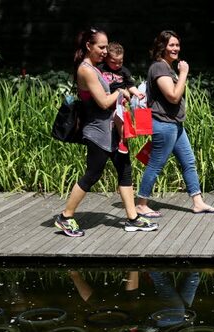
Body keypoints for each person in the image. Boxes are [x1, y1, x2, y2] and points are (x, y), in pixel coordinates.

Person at [53, 28, 158, 237]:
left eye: (105, 47)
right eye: (101, 47)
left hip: (112, 130)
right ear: (88, 46)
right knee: (92, 174)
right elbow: (102, 102)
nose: (104, 51)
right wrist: (121, 92)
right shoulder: (86, 70)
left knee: (125, 170)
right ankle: (65, 216)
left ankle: (132, 218)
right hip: (97, 133)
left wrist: (126, 94)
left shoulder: (94, 67)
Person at [136, 30, 214, 218]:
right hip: (164, 125)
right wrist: (184, 73)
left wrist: (179, 73)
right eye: (171, 45)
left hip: (176, 124)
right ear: (162, 47)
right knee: (156, 164)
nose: (176, 48)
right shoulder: (159, 68)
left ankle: (197, 202)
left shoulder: (168, 67)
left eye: (177, 45)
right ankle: (141, 204)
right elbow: (173, 96)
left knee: (189, 162)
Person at [98, 42, 145, 154]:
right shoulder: (100, 69)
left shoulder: (124, 71)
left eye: (120, 62)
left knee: (120, 115)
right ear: (106, 59)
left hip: (119, 101)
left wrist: (137, 93)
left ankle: (123, 140)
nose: (117, 65)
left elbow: (130, 85)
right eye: (114, 62)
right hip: (105, 99)